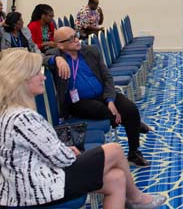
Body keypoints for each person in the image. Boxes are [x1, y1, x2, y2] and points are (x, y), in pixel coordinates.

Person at [0, 49, 166, 209]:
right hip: (36, 190)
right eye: (38, 73)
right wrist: (68, 152)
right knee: (114, 150)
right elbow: (62, 159)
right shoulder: (23, 118)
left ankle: (135, 200)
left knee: (117, 178)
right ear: (22, 79)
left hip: (25, 185)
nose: (43, 77)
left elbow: (40, 151)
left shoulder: (9, 111)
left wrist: (64, 150)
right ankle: (136, 198)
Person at [46, 27, 151, 167]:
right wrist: (56, 59)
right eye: (71, 39)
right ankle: (133, 123)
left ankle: (134, 153)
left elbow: (107, 77)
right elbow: (39, 58)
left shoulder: (91, 51)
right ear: (60, 45)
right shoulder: (57, 55)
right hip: (78, 103)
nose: (77, 40)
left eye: (76, 35)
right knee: (102, 110)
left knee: (130, 109)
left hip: (102, 94)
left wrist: (110, 100)